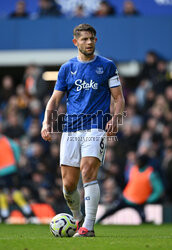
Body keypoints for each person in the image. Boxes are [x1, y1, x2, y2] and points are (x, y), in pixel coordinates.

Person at [41, 23, 125, 237]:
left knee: (88, 172)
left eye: (92, 39)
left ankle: (88, 226)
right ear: (75, 42)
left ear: (96, 40)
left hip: (95, 127)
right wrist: (46, 123)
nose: (89, 42)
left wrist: (115, 119)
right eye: (84, 39)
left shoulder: (107, 66)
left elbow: (118, 98)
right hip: (70, 130)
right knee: (68, 185)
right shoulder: (67, 68)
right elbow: (55, 100)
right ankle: (77, 218)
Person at [96, 154, 164, 224]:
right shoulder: (134, 169)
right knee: (111, 211)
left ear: (144, 162)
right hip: (127, 198)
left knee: (142, 218)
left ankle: (146, 224)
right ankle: (98, 221)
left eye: (139, 161)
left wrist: (149, 199)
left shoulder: (151, 174)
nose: (137, 162)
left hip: (139, 201)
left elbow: (159, 190)